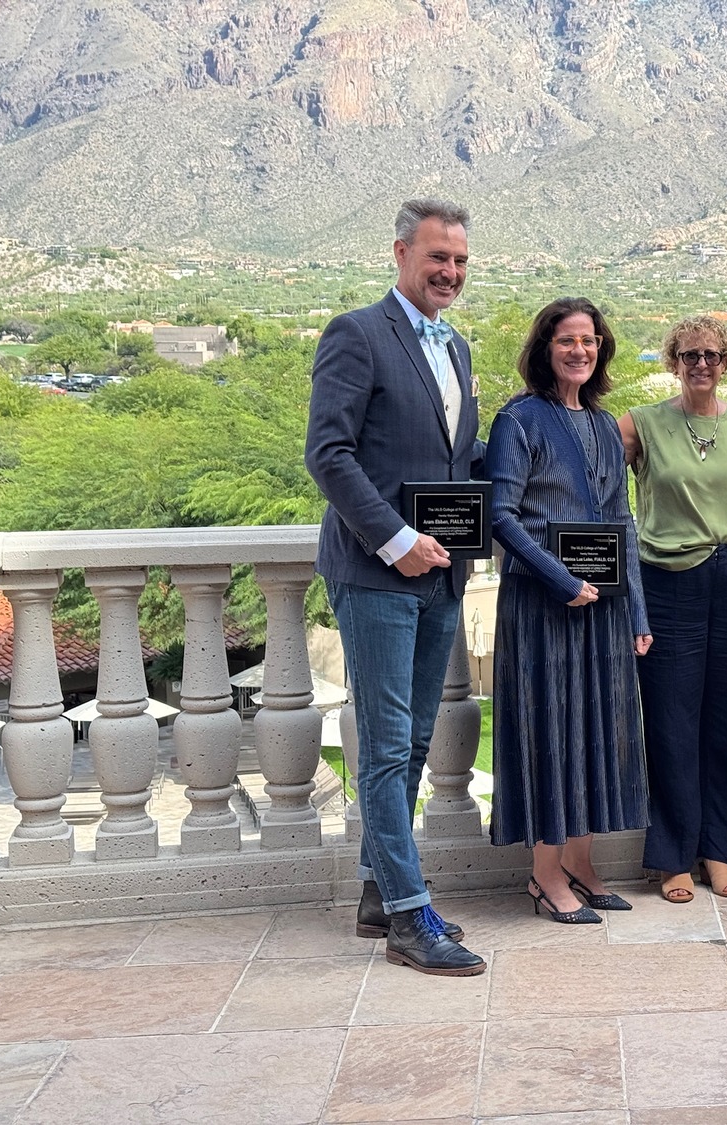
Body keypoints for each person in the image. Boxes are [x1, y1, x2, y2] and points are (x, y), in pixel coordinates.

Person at [305, 198, 485, 976]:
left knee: (413, 740)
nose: (449, 272)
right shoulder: (356, 333)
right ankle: (413, 918)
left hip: (443, 577)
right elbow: (329, 453)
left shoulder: (461, 349)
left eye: (460, 262)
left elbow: (456, 463)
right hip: (376, 573)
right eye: (437, 258)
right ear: (401, 254)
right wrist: (396, 538)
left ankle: (380, 891)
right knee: (382, 747)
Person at [487, 297, 652, 924]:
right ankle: (545, 876)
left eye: (588, 341)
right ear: (544, 349)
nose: (579, 351)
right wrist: (561, 579)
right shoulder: (520, 419)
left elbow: (622, 526)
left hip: (603, 611)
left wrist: (636, 611)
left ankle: (582, 865)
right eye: (566, 341)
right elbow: (501, 515)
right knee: (553, 733)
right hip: (543, 607)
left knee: (598, 734)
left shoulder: (609, 426)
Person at [618, 315, 727, 904]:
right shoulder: (642, 425)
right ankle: (673, 856)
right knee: (672, 719)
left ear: (725, 360)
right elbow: (591, 479)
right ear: (672, 361)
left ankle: (721, 848)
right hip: (666, 582)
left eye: (710, 354)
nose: (699, 363)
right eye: (688, 354)